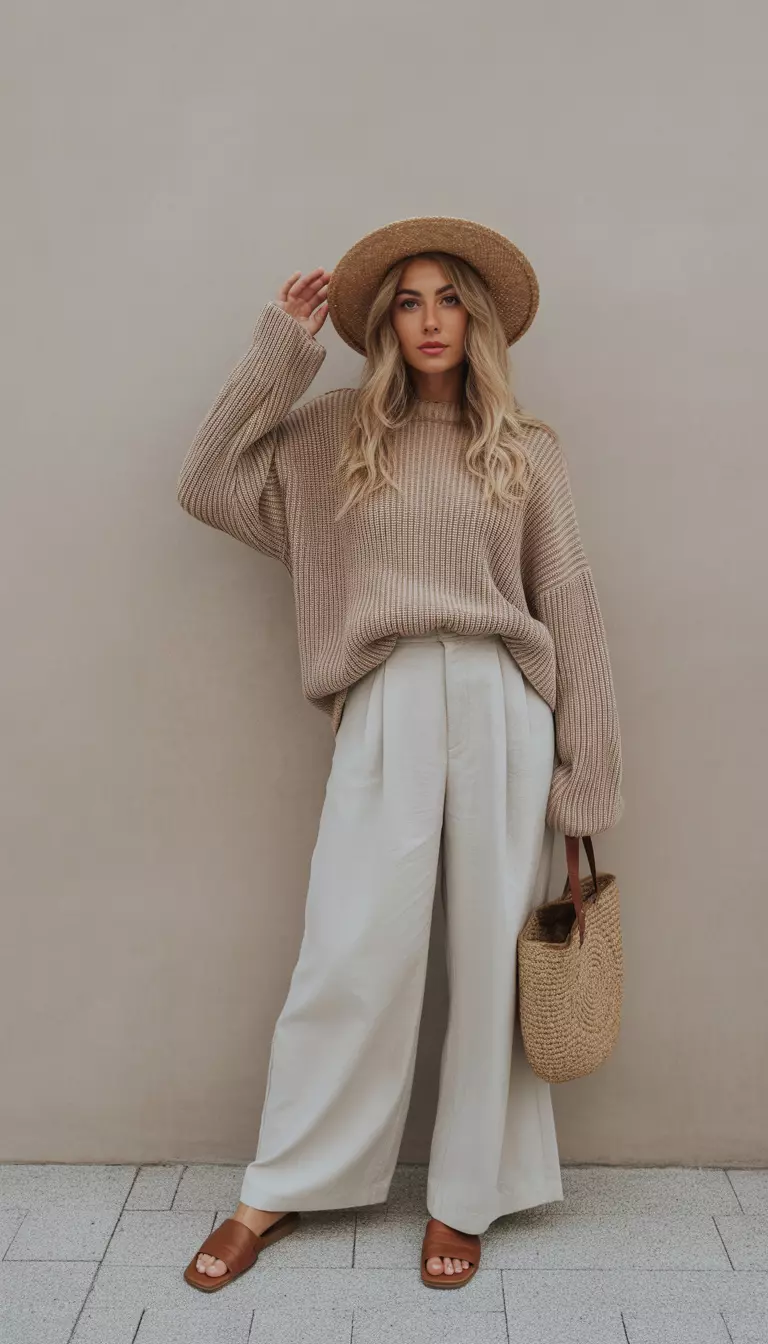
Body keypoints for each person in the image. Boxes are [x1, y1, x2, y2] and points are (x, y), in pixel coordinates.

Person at [176, 215, 624, 1293]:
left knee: (487, 959)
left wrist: (588, 771)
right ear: (385, 323)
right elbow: (206, 482)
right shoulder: (336, 435)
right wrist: (280, 351)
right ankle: (279, 1186)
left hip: (503, 702)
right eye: (410, 301)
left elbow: (569, 604)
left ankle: (468, 1197)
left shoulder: (528, 448)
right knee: (350, 950)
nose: (430, 320)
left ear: (479, 318)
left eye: (450, 298)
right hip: (383, 701)